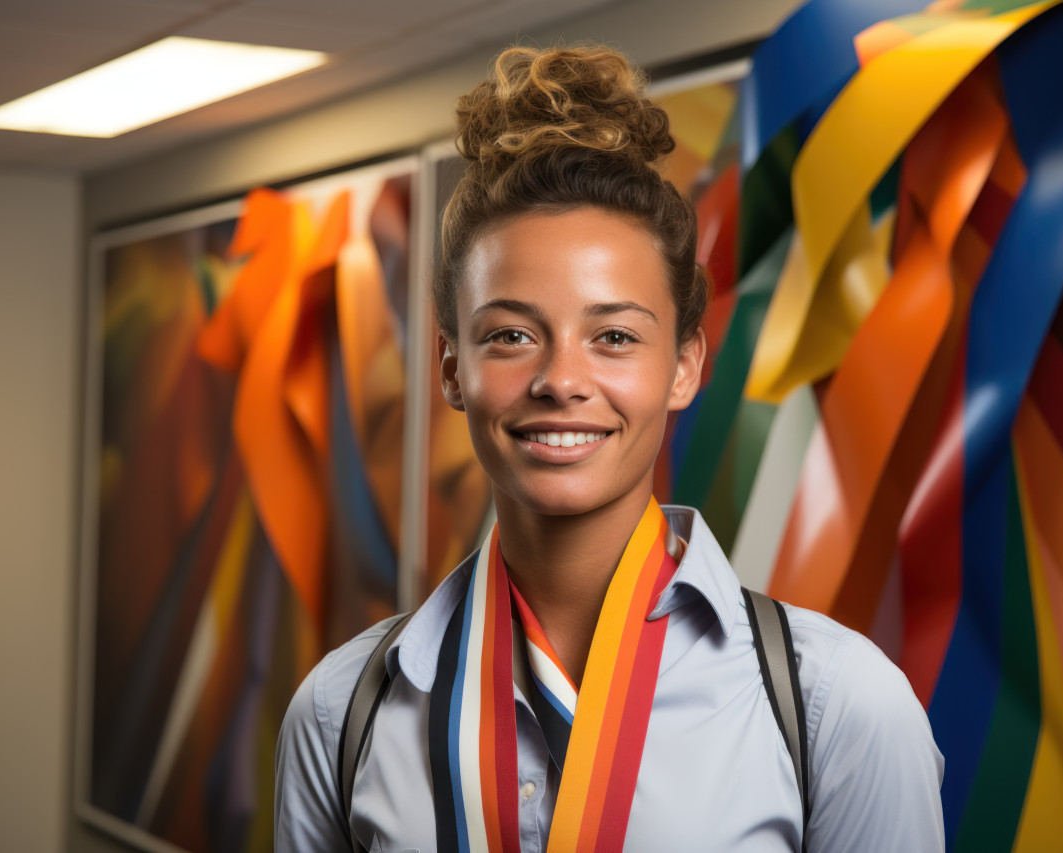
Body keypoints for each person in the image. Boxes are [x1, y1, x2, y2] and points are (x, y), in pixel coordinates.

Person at [276, 44, 944, 852]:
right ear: (453, 368)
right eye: (512, 334)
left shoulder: (837, 706)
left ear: (685, 366)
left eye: (615, 335)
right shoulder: (340, 712)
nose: (561, 378)